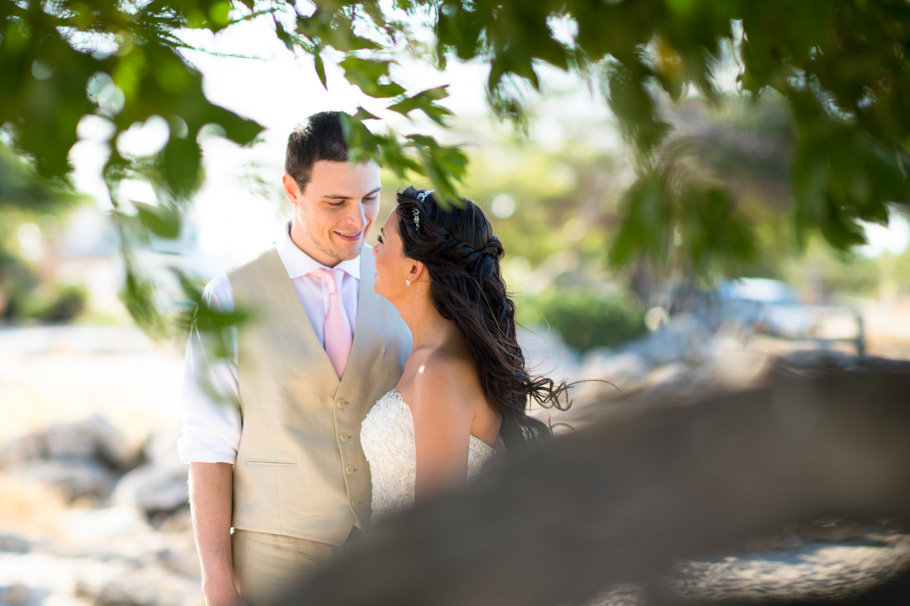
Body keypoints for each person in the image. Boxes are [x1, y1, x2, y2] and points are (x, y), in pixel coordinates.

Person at [177, 111, 411, 605]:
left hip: (390, 554)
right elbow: (210, 445)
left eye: (370, 198)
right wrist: (217, 581)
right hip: (274, 563)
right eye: (336, 202)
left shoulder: (402, 281)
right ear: (291, 189)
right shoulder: (229, 297)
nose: (358, 220)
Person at [360, 186, 566, 522]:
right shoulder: (428, 358)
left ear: (413, 269)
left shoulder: (439, 371)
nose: (373, 251)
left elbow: (435, 525)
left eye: (382, 241)